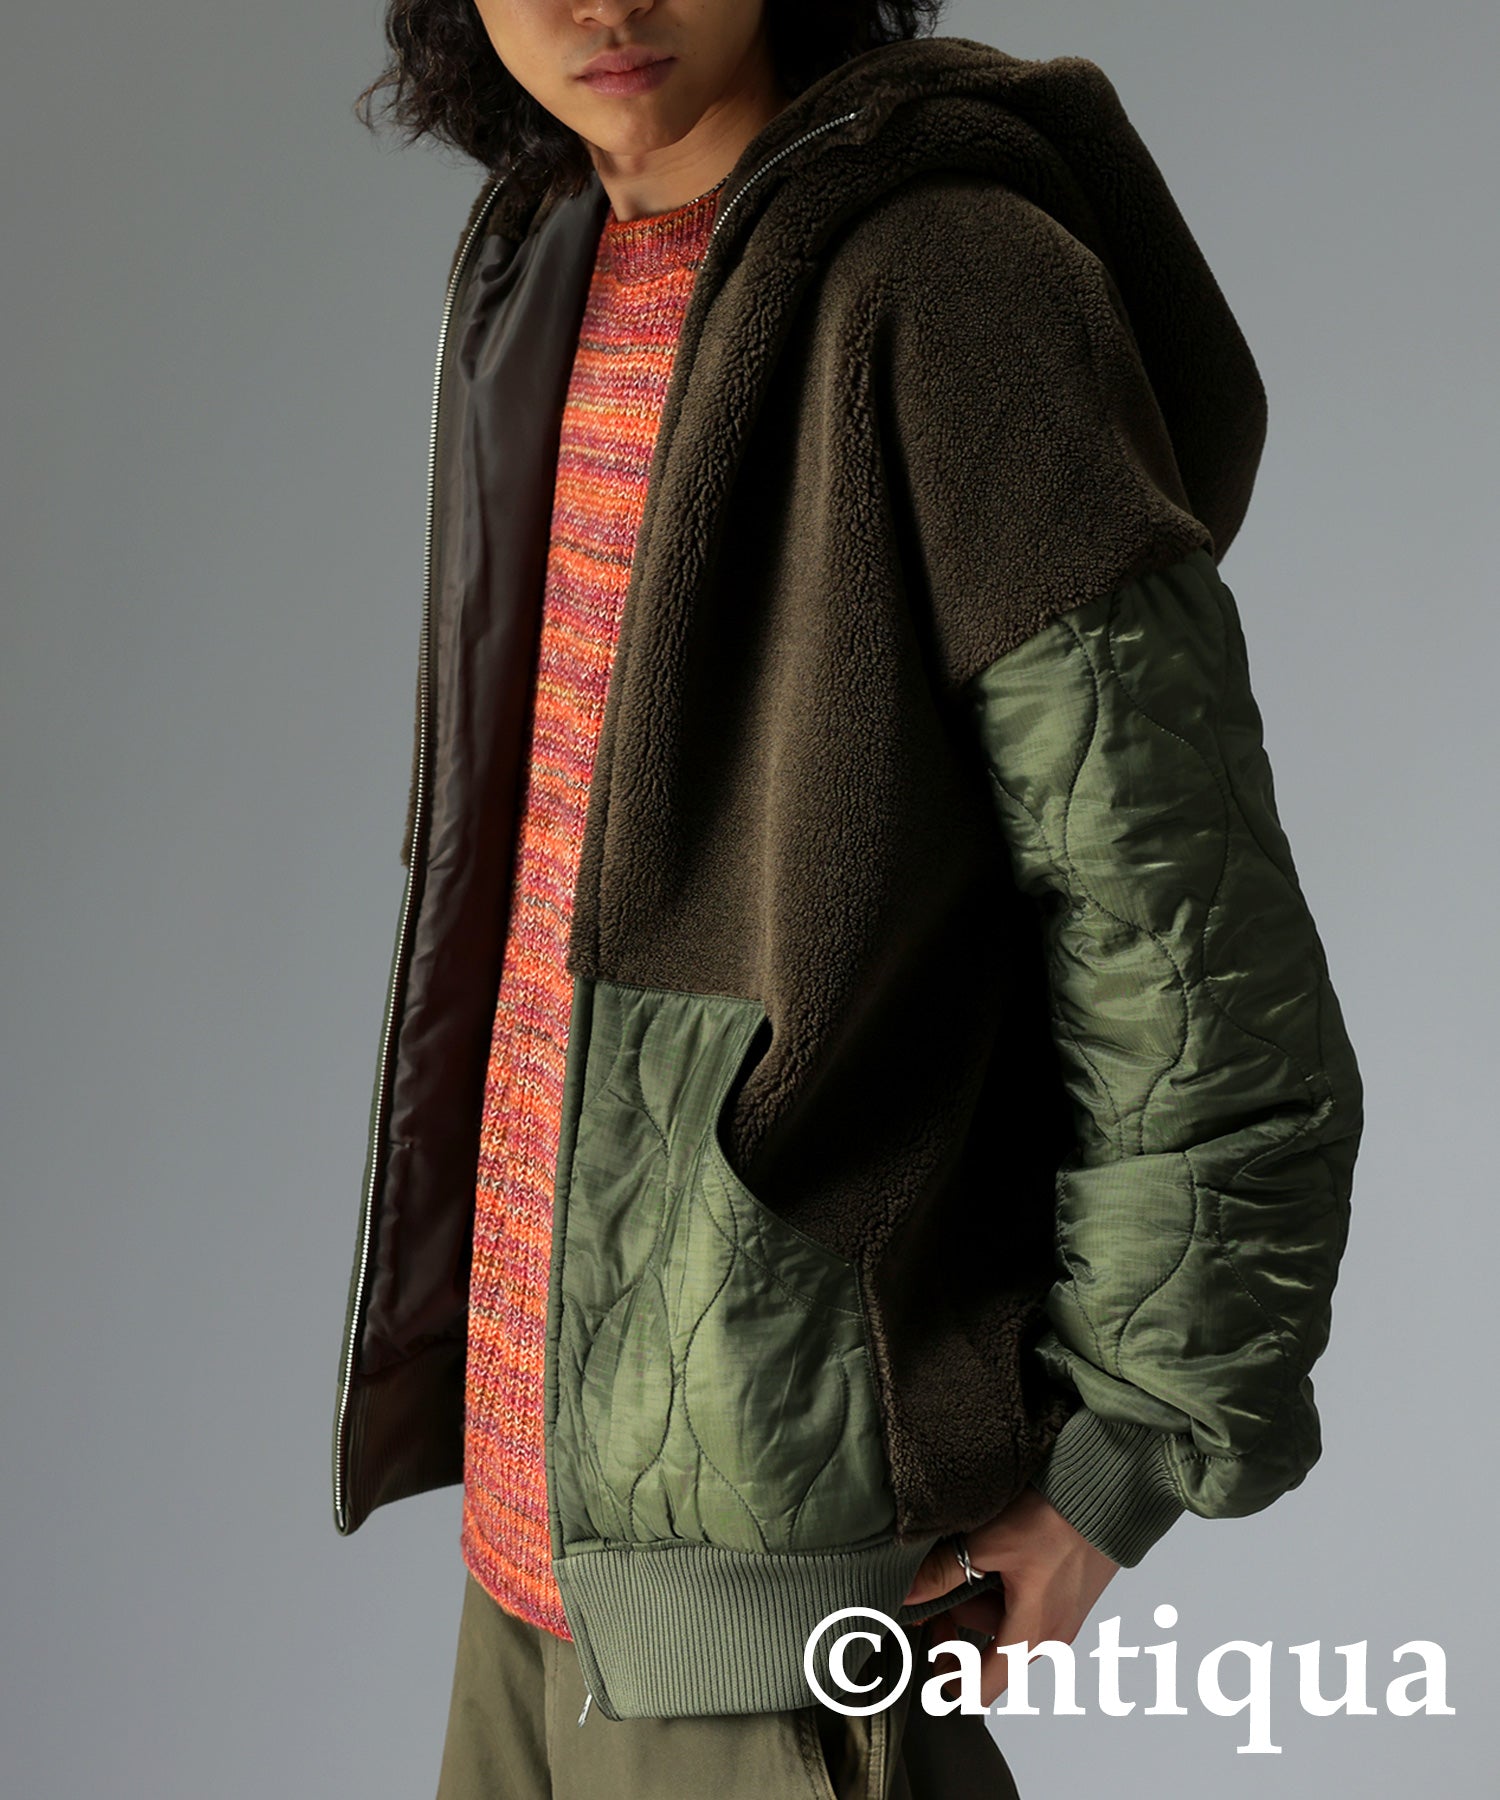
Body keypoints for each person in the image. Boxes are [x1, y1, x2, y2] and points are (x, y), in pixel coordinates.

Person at [333, 3, 1363, 1795]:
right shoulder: (548, 254)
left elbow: (1180, 933)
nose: (605, 1)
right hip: (533, 1568)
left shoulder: (952, 282)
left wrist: (1119, 1463)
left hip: (780, 1598)